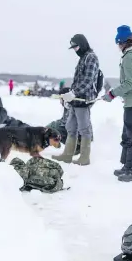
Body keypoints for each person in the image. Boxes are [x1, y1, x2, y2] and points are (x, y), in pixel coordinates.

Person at [102, 25, 132, 182]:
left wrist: (112, 93)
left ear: (122, 42)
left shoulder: (130, 57)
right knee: (127, 133)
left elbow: (130, 83)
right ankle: (127, 166)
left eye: (118, 44)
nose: (118, 47)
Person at [52, 34, 99, 166]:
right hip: (75, 100)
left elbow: (88, 81)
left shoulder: (91, 58)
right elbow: (78, 80)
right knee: (70, 127)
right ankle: (67, 155)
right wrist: (69, 95)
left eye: (76, 46)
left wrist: (74, 93)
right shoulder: (83, 58)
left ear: (83, 44)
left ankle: (84, 158)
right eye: (73, 48)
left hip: (83, 100)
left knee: (84, 129)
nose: (75, 50)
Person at [46, 87, 81, 154]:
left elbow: (69, 123)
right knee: (52, 127)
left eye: (60, 99)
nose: (60, 102)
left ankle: (76, 148)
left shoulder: (72, 106)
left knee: (53, 128)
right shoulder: (67, 105)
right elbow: (63, 120)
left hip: (77, 137)